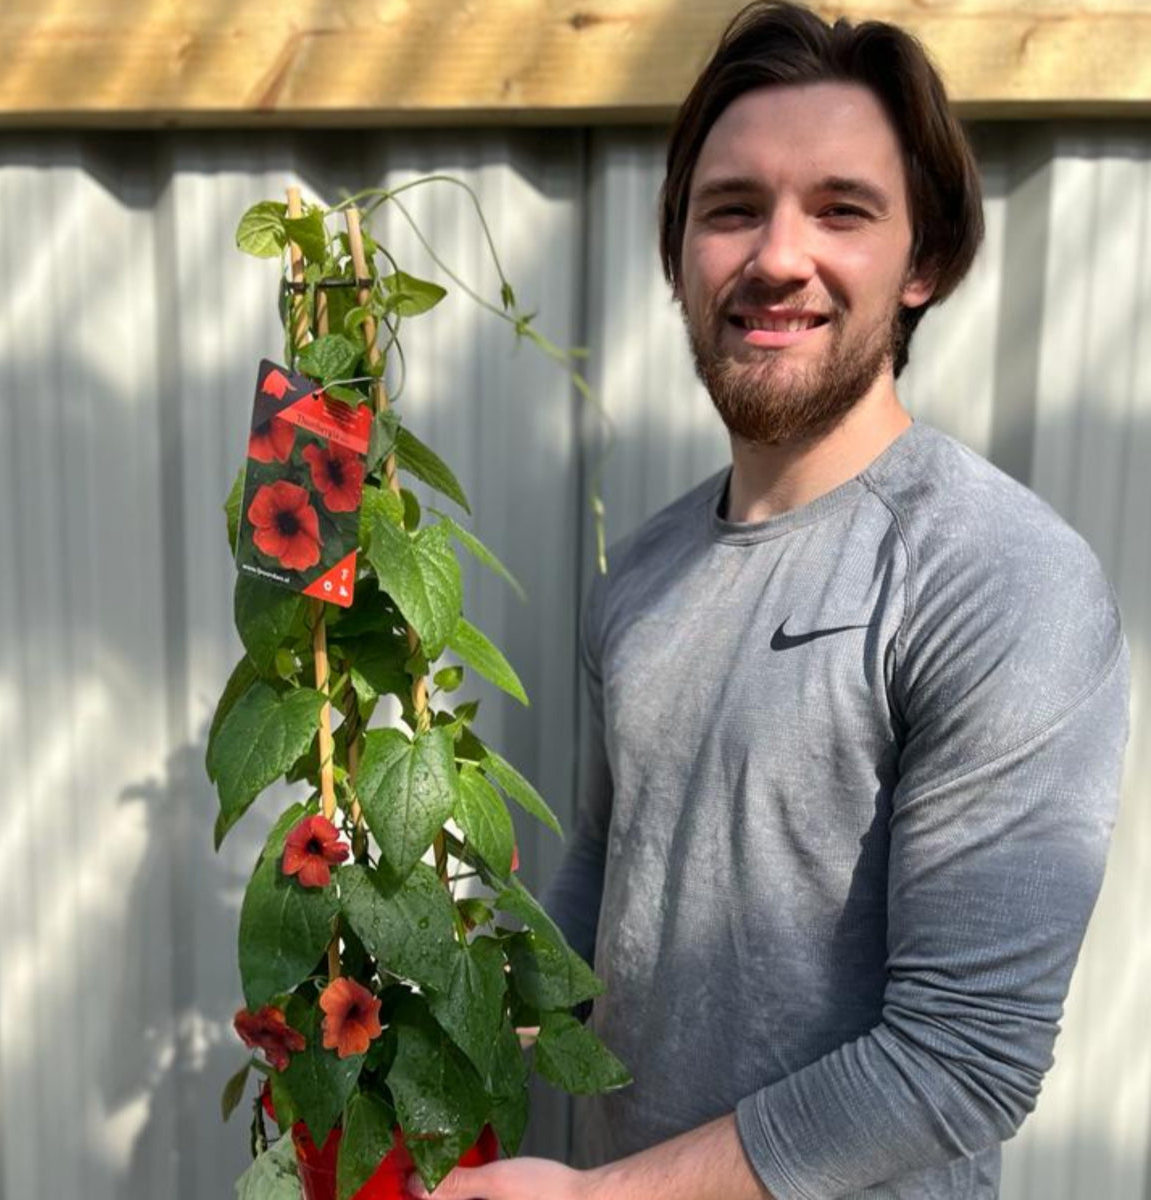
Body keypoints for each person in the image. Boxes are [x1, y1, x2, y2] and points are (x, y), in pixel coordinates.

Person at [408, 2, 1130, 1197]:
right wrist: (419, 994)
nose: (777, 256)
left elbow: (967, 1060)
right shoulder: (638, 578)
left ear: (925, 262)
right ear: (681, 252)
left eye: (842, 210)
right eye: (733, 208)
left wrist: (600, 1198)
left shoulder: (998, 579)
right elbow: (604, 887)